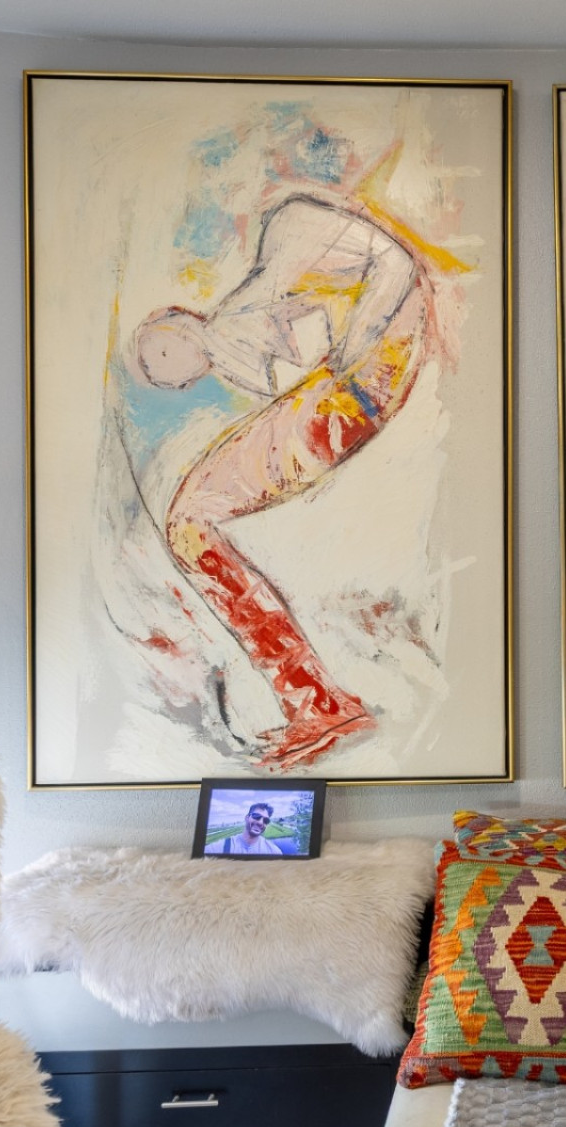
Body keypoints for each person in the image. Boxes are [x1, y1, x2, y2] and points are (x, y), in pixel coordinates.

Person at [135, 193, 430, 770]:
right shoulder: (250, 318)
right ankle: (317, 703)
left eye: (160, 350)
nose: (168, 372)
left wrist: (353, 352)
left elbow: (395, 264)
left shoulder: (288, 227)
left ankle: (320, 705)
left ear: (180, 319)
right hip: (358, 378)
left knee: (189, 524)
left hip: (365, 374)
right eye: (164, 375)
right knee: (188, 523)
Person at [208, 801, 285, 856]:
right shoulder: (224, 846)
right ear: (247, 818)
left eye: (266, 820)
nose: (260, 822)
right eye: (256, 816)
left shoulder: (273, 851)